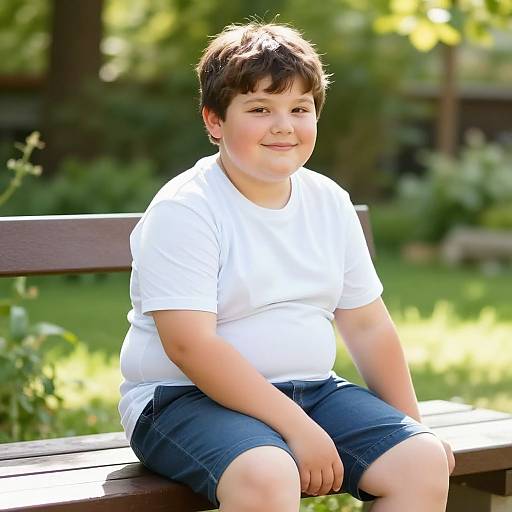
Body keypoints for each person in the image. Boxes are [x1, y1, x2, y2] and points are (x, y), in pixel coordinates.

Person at [118, 21, 455, 512]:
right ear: (214, 121)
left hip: (312, 390)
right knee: (267, 473)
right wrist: (297, 429)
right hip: (181, 399)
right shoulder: (186, 209)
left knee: (421, 461)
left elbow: (366, 323)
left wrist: (411, 424)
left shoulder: (328, 201)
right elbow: (190, 344)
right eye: (260, 109)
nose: (284, 126)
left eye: (300, 109)